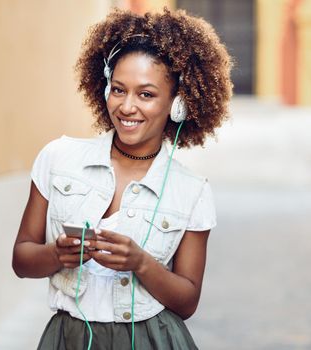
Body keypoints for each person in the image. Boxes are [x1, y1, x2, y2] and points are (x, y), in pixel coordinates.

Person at [12, 8, 232, 350]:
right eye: (118, 89)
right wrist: (58, 255)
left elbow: (187, 301)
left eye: (146, 94)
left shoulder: (192, 192)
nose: (127, 107)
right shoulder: (58, 158)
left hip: (151, 340)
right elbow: (21, 260)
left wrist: (141, 263)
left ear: (177, 105)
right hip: (66, 339)